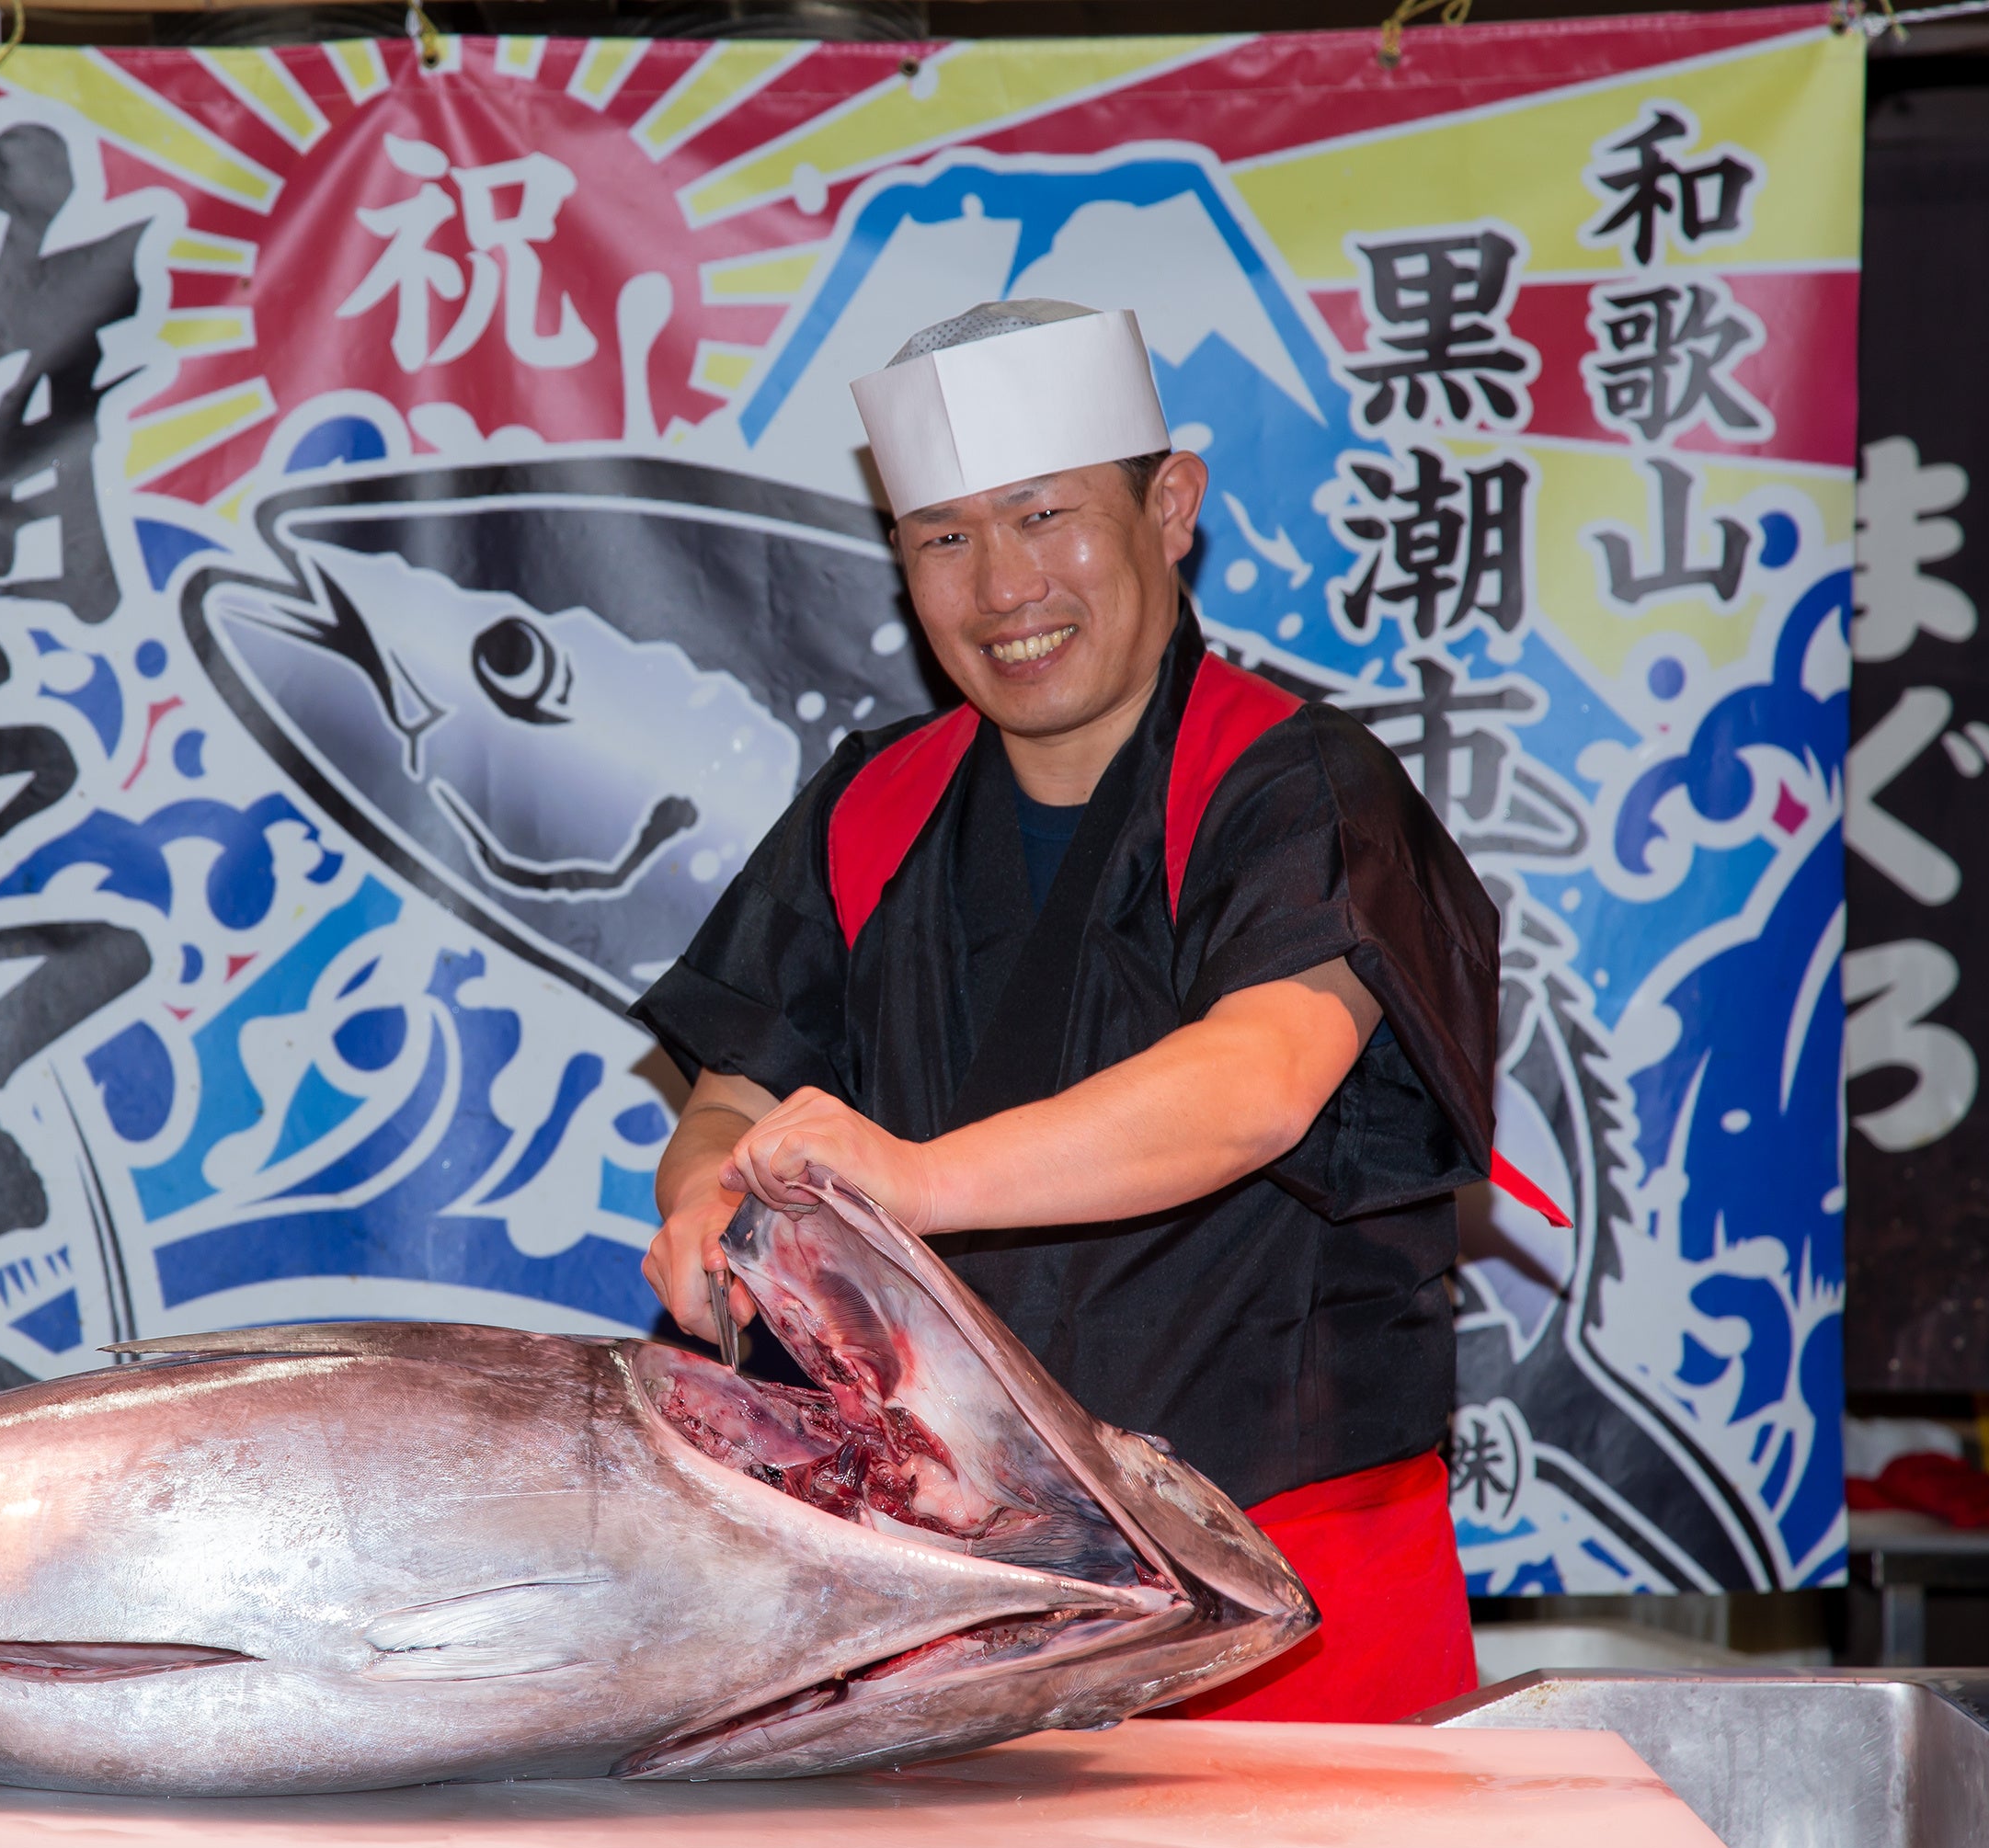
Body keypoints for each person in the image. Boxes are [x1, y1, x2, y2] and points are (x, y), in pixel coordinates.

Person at [631, 300, 1533, 1723]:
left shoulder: (1297, 783)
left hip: (1286, 1606)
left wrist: (918, 1180)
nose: (1001, 588)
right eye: (944, 538)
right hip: (952, 1601)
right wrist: (709, 1197)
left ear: (1170, 508)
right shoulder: (876, 803)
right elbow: (739, 1085)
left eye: (1044, 515)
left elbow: (1258, 1078)